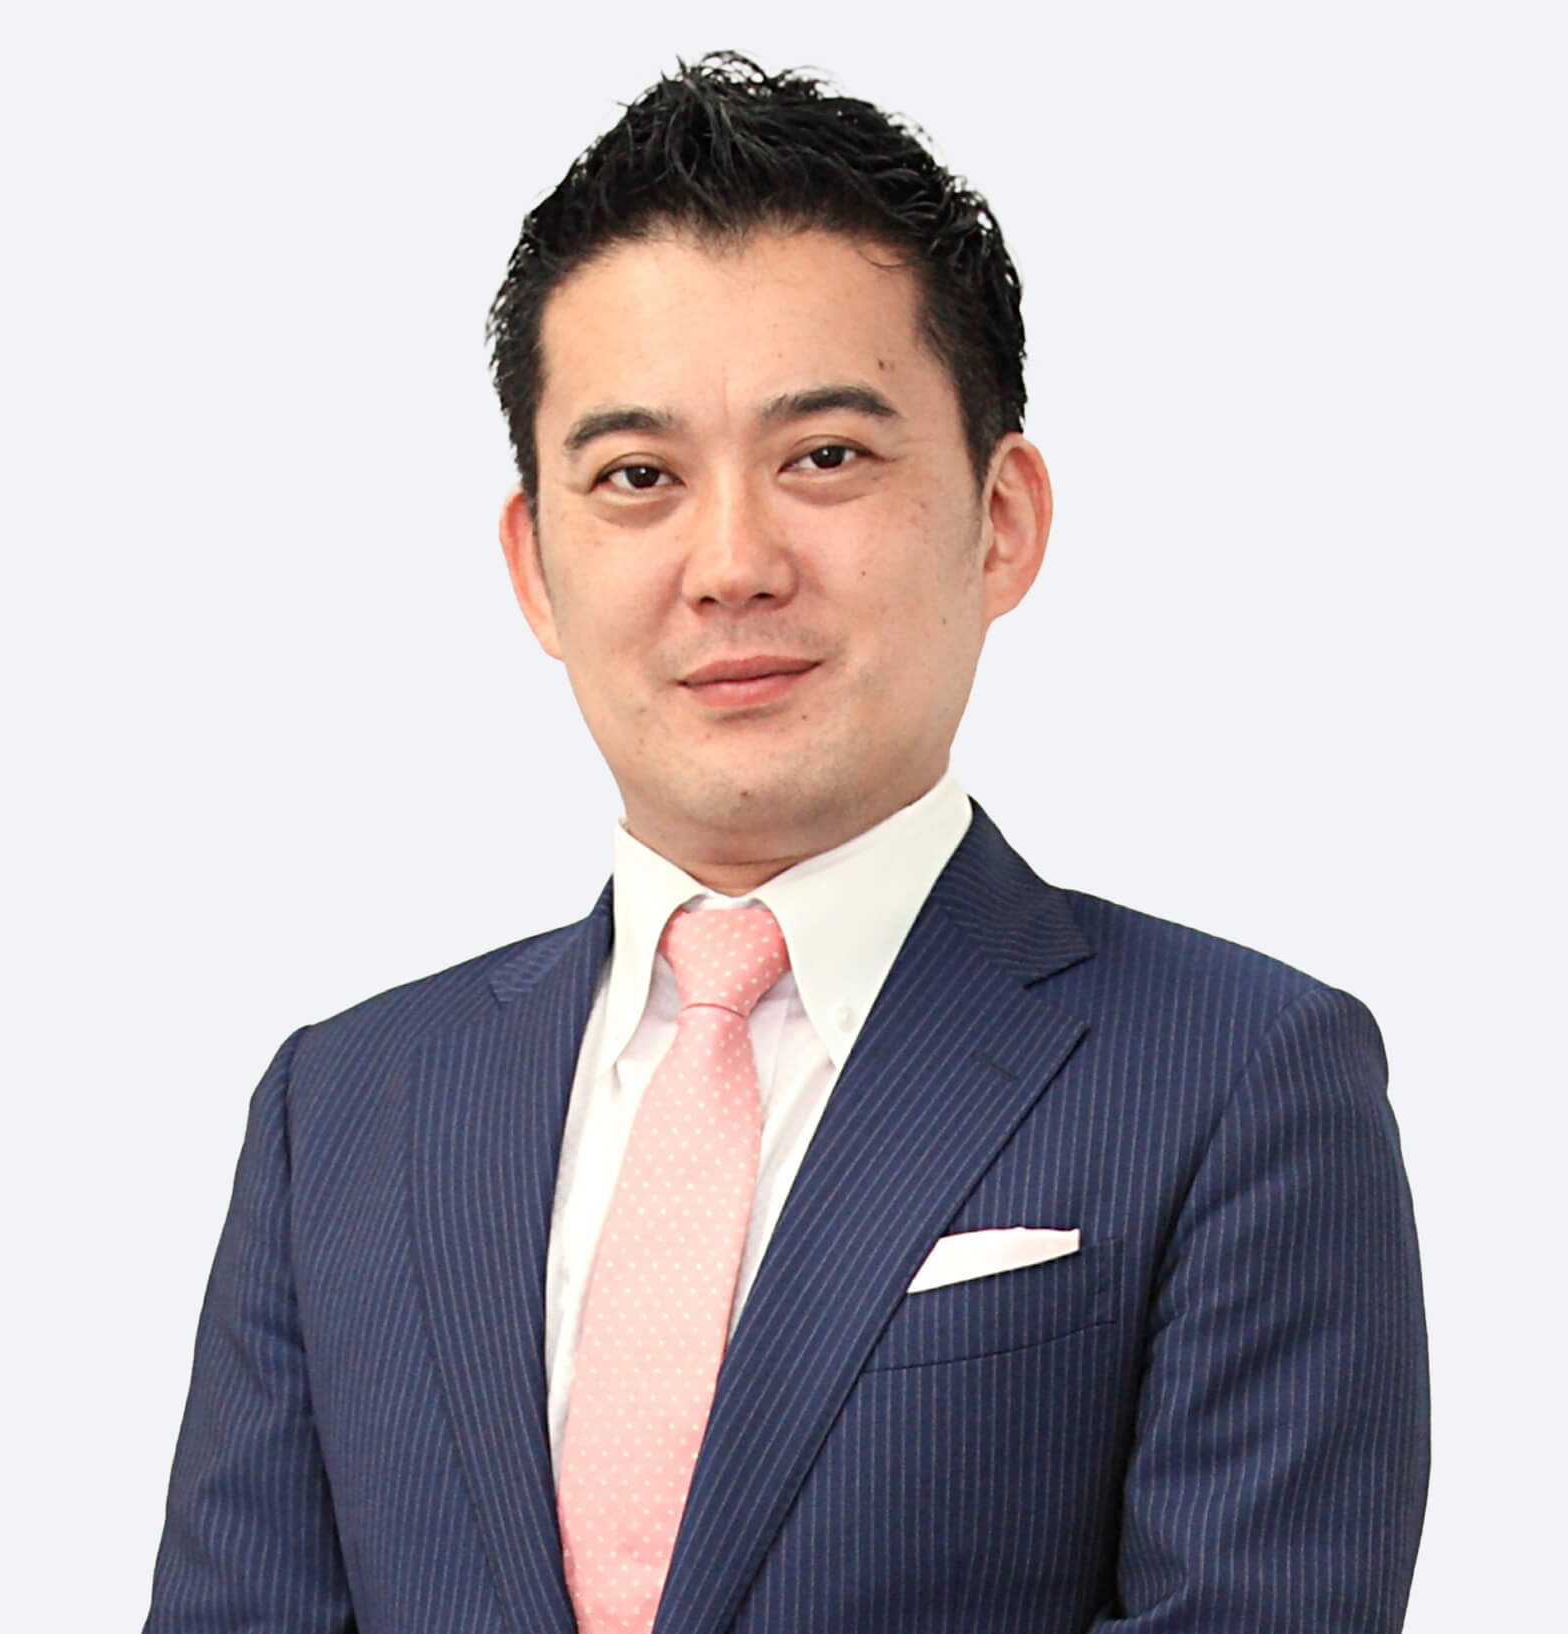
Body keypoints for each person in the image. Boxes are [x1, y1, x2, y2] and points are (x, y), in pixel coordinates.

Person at [143, 52, 1430, 1634]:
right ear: (534, 565)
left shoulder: (1236, 1078)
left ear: (1000, 517)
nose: (732, 562)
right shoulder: (344, 1108)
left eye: (824, 456)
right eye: (636, 477)